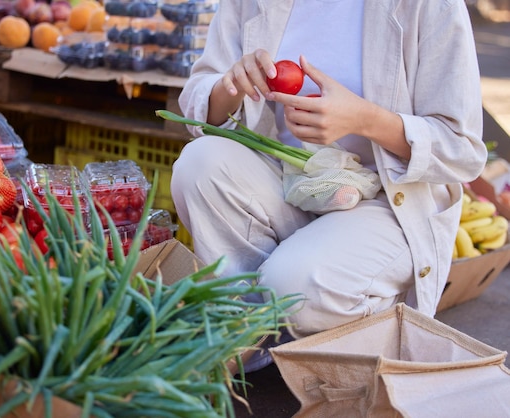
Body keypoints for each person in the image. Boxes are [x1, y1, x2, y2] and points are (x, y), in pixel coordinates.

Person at [170, 0, 488, 345]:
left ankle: (368, 315)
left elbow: (462, 150)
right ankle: (250, 333)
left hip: (387, 202)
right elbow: (199, 101)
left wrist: (362, 119)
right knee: (199, 162)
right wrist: (231, 84)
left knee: (292, 289)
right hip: (292, 183)